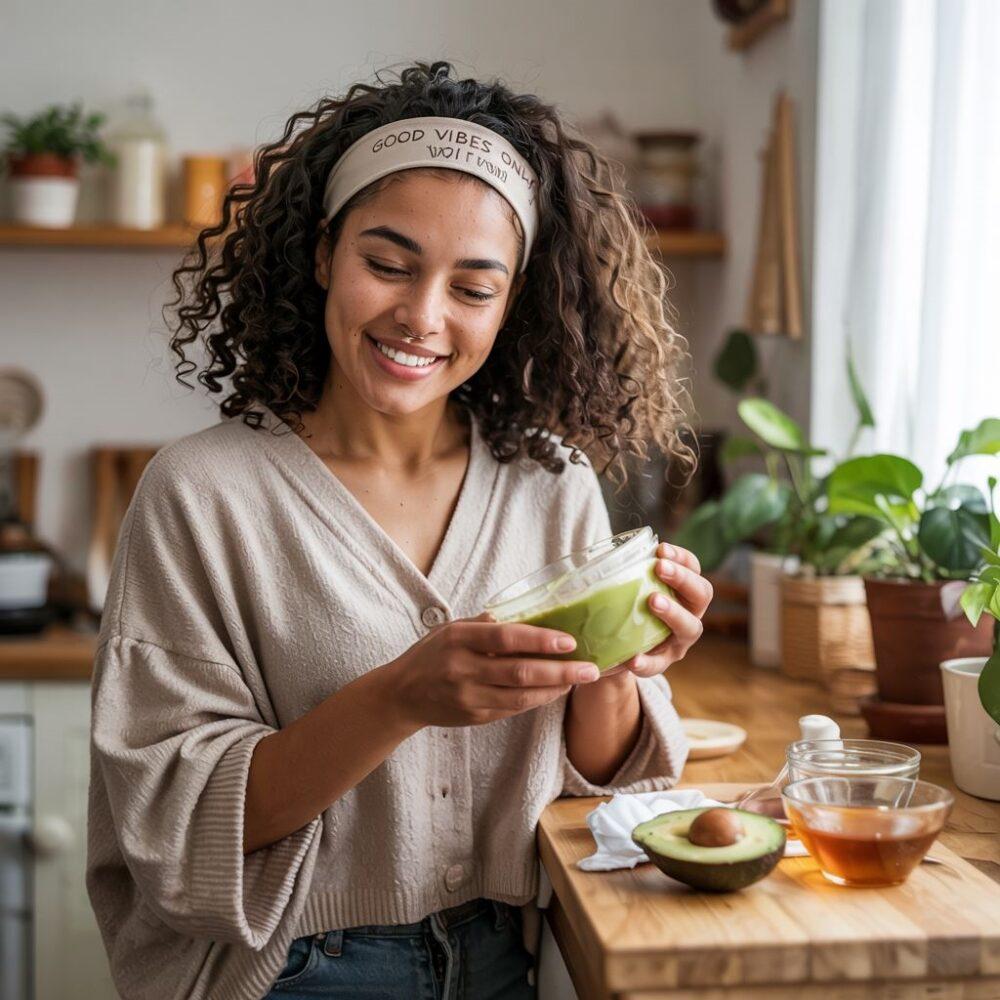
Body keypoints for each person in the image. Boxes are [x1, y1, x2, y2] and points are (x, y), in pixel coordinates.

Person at [86, 61, 712, 1000]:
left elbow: (594, 781)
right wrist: (397, 698)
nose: (422, 317)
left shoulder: (550, 481)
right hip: (293, 968)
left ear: (515, 302)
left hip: (505, 958)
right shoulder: (203, 493)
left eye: (473, 286)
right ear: (320, 255)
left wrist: (618, 660)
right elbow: (175, 825)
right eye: (388, 264)